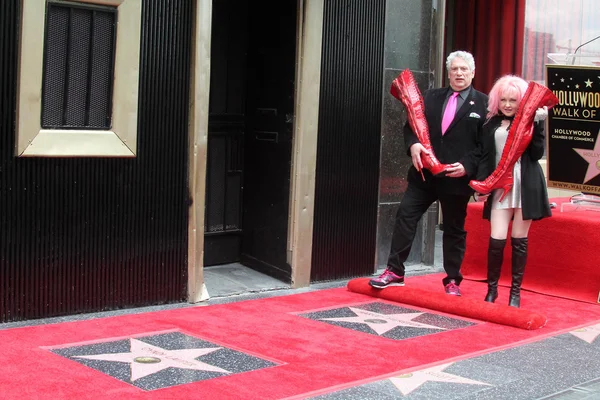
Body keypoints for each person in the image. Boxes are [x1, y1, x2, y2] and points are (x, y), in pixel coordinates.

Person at [369, 50, 488, 295]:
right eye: (454, 69)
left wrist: (468, 166)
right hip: (424, 176)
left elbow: (485, 146)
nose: (459, 73)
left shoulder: (485, 104)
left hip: (456, 178)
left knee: (454, 229)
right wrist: (413, 143)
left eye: (464, 69)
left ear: (473, 73)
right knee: (405, 216)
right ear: (448, 72)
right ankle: (395, 271)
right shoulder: (431, 97)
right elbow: (411, 125)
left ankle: (453, 280)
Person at [474, 75, 551, 308]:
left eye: (513, 100)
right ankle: (492, 291)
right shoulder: (490, 124)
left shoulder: (531, 122)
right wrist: (481, 184)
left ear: (522, 101)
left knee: (519, 241)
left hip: (526, 186)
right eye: (504, 99)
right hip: (500, 187)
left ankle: (514, 294)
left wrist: (538, 124)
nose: (508, 104)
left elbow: (537, 154)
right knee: (496, 240)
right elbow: (485, 157)